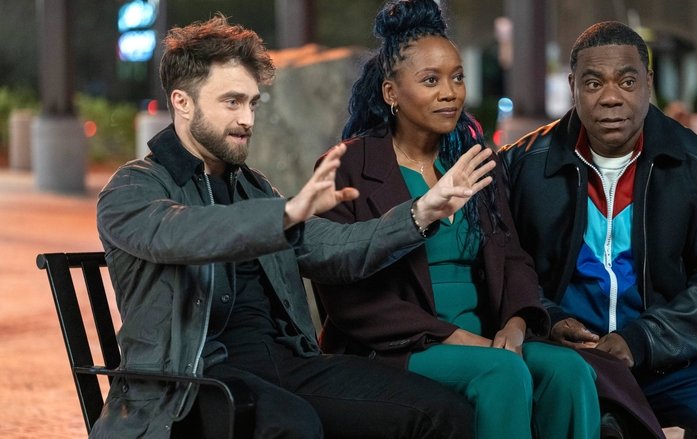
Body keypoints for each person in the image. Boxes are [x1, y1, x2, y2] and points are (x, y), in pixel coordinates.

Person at [93, 14, 498, 439]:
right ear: (182, 102)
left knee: (442, 412)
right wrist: (284, 214)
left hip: (287, 366)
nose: (247, 119)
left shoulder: (252, 188)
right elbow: (182, 233)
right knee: (294, 424)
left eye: (253, 103)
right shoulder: (133, 188)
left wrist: (420, 212)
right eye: (232, 102)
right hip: (191, 385)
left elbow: (332, 247)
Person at [312, 1, 600, 438]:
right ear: (391, 92)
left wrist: (516, 323)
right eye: (431, 80)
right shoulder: (347, 167)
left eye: (458, 77)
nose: (450, 92)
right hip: (399, 347)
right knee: (502, 372)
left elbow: (512, 256)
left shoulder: (475, 160)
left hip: (486, 335)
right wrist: (456, 338)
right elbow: (345, 298)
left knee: (568, 371)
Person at [500, 20, 697, 438]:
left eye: (627, 81)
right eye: (593, 83)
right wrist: (549, 318)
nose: (612, 97)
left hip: (661, 355)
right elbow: (502, 262)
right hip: (566, 354)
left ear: (648, 83)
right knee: (595, 420)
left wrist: (642, 339)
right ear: (573, 86)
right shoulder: (522, 165)